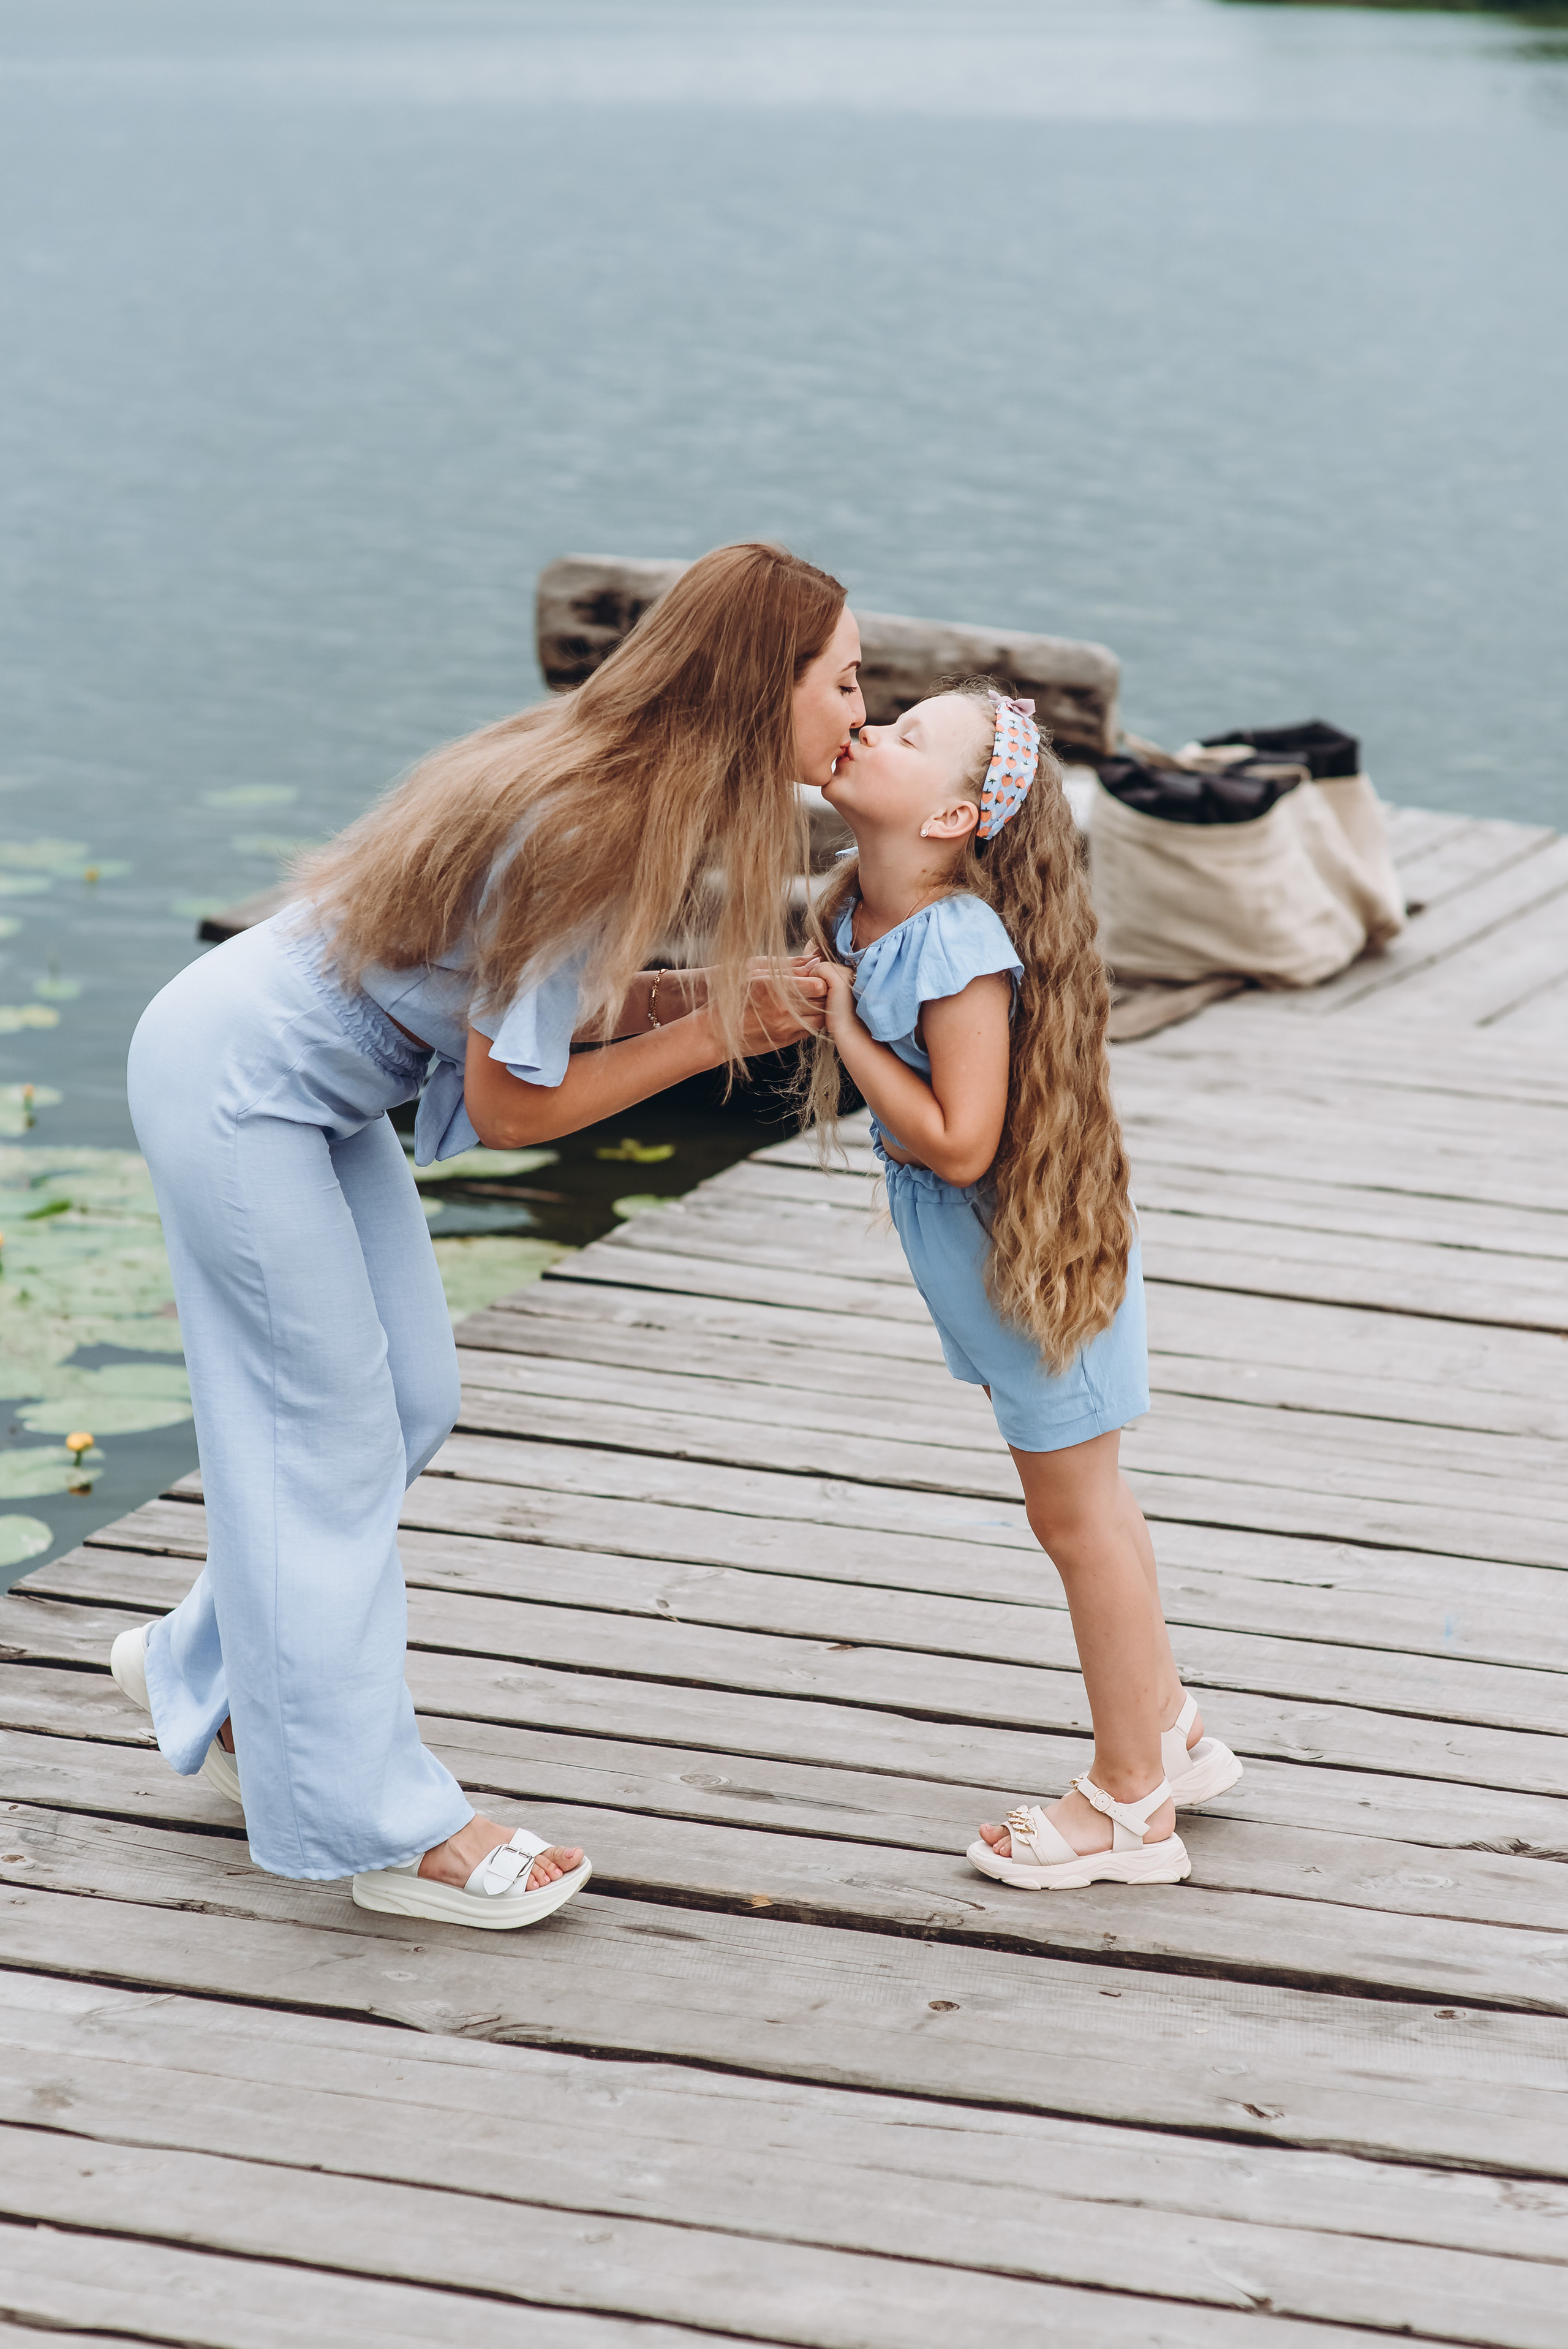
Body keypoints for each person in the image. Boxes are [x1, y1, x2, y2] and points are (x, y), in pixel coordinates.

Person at [113, 542, 859, 1928]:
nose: (860, 712)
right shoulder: (596, 827)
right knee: (325, 1450)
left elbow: (523, 1008)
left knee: (406, 1398)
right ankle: (382, 1834)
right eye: (845, 679)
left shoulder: (620, 784)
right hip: (244, 1083)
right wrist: (710, 1032)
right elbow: (518, 1106)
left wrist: (704, 992)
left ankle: (202, 1676)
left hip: (303, 1069)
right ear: (766, 692)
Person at [801, 678, 1242, 1889]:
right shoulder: (864, 909)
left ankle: (1128, 1803)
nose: (871, 729)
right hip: (986, 1267)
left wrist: (840, 1032)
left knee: (1075, 1518)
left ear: (951, 820)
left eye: (905, 735)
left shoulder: (953, 943)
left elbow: (959, 1141)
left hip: (1033, 1268)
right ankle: (1172, 1734)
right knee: (1088, 1506)